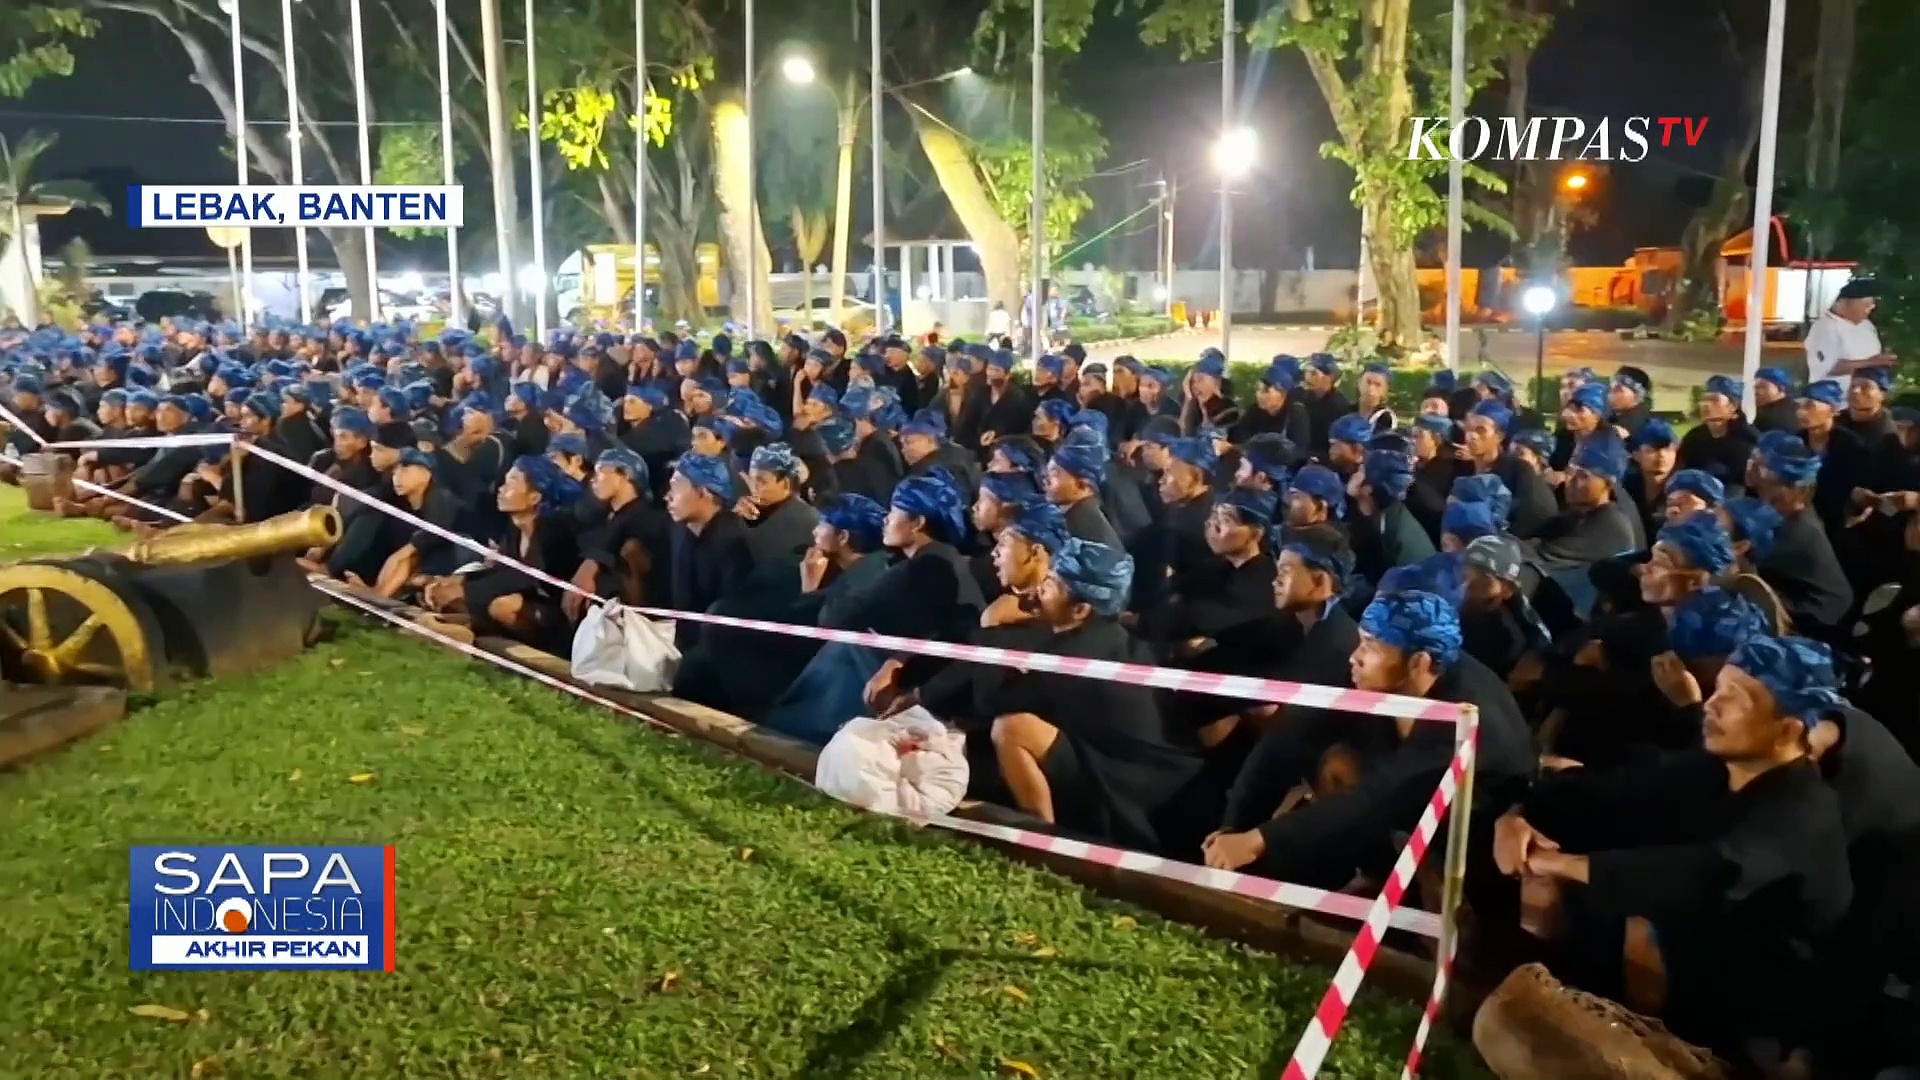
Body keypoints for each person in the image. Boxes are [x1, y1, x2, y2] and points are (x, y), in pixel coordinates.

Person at [1499, 634, 1854, 1068]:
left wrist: (1556, 863)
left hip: (1744, 1021)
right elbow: (1617, 790)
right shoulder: (1714, 768)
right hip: (1686, 964)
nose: (1710, 704)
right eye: (1718, 689)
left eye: (1735, 698)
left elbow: (1701, 873)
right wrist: (1518, 816)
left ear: (1789, 728)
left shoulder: (1801, 813)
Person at [987, 538, 1210, 852]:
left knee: (1011, 728)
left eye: (1050, 585)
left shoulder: (1075, 655)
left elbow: (992, 703)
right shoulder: (1109, 638)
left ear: (1080, 609)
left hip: (1134, 789)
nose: (1039, 590)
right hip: (1138, 770)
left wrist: (992, 626)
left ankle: (1039, 837)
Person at [1803, 277, 1895, 382]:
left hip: (1865, 393)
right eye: (1866, 305)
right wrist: (1871, 363)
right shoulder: (1824, 328)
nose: (1870, 309)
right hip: (1834, 395)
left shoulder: (1867, 325)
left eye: (1872, 306)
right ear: (1843, 303)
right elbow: (1828, 368)